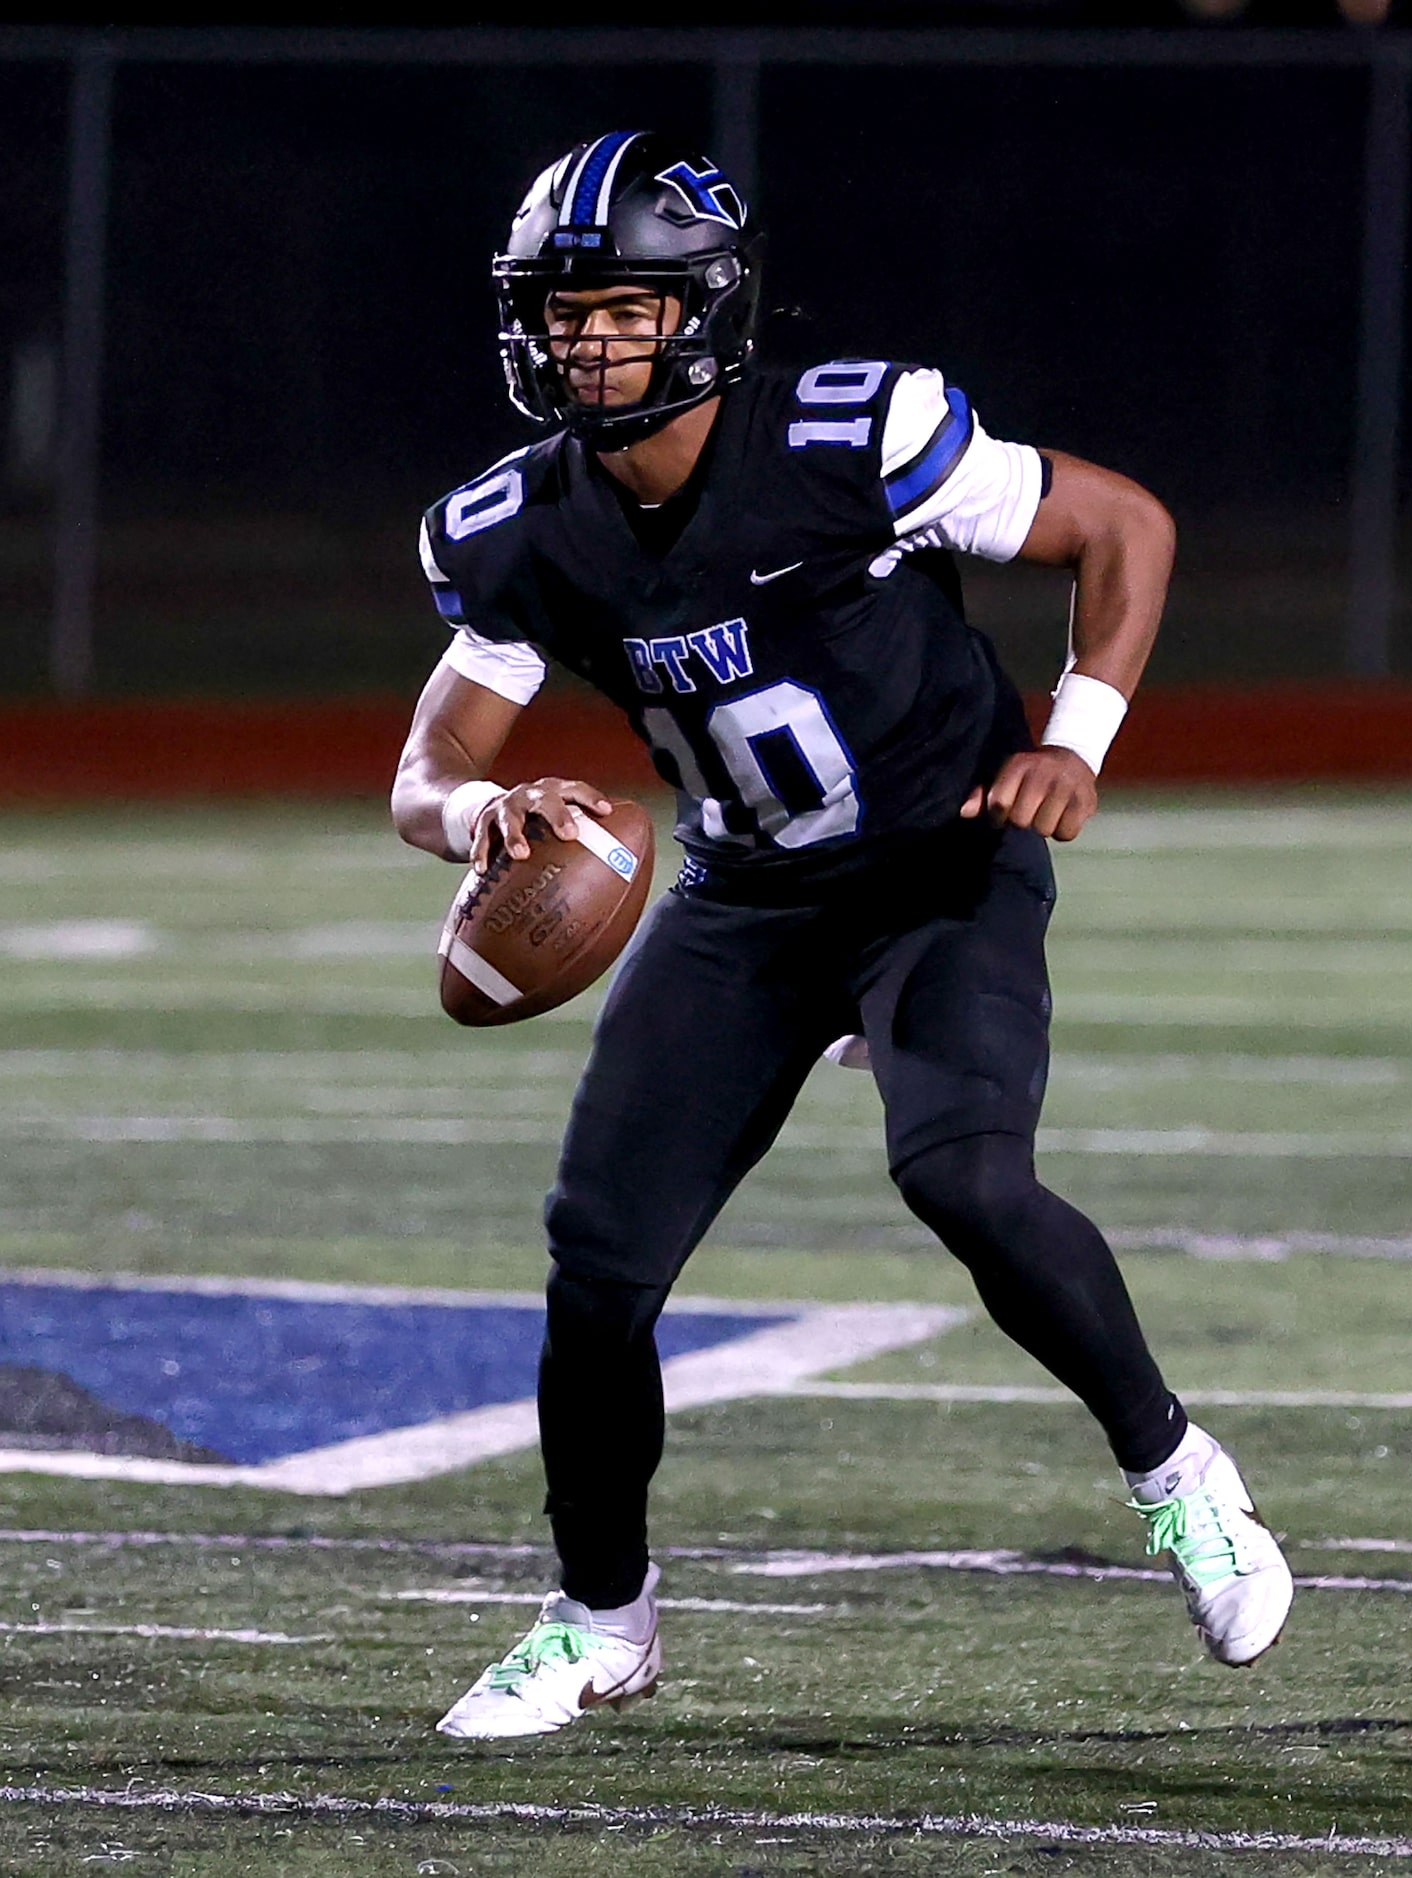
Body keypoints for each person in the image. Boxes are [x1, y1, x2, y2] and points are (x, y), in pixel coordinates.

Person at [392, 132, 1293, 1741]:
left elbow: (1124, 528)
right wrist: (475, 816)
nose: (585, 342)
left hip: (944, 857)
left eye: (620, 309)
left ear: (706, 313)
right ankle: (604, 1617)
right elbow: (428, 766)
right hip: (745, 898)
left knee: (961, 1171)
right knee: (596, 1264)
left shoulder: (847, 436)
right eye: (562, 310)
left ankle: (1179, 1469)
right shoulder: (523, 525)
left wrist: (1074, 738)